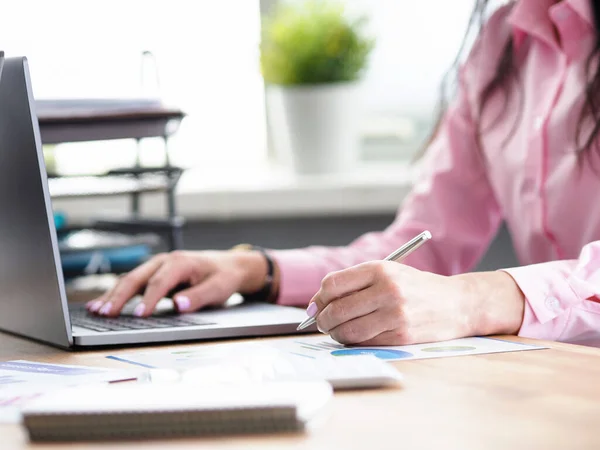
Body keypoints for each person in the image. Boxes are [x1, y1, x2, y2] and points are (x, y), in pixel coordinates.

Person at [87, 0, 600, 348]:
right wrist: (256, 270)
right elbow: (420, 246)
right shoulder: (505, 42)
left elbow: (455, 290)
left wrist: (475, 300)